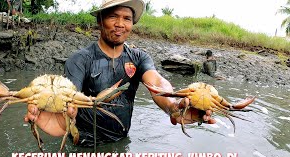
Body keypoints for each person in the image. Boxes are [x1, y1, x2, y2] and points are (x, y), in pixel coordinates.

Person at [24, 0, 216, 147]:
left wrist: (174, 106)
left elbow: (157, 82)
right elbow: (69, 97)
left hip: (121, 142)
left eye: (127, 18)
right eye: (113, 16)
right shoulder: (80, 59)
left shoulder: (139, 58)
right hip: (82, 145)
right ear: (100, 20)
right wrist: (59, 118)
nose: (120, 24)